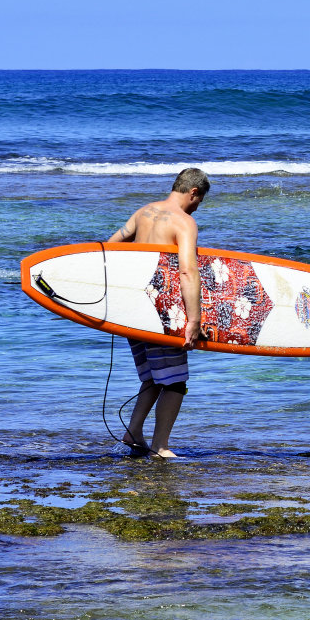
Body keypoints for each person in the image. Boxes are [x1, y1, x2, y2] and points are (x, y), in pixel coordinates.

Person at [107, 167, 209, 458]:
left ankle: (134, 432)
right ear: (194, 192)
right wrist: (194, 319)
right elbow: (188, 270)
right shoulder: (184, 222)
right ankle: (160, 446)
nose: (197, 207)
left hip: (132, 307)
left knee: (153, 375)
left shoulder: (143, 213)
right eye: (199, 201)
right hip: (162, 310)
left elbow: (110, 248)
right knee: (175, 381)